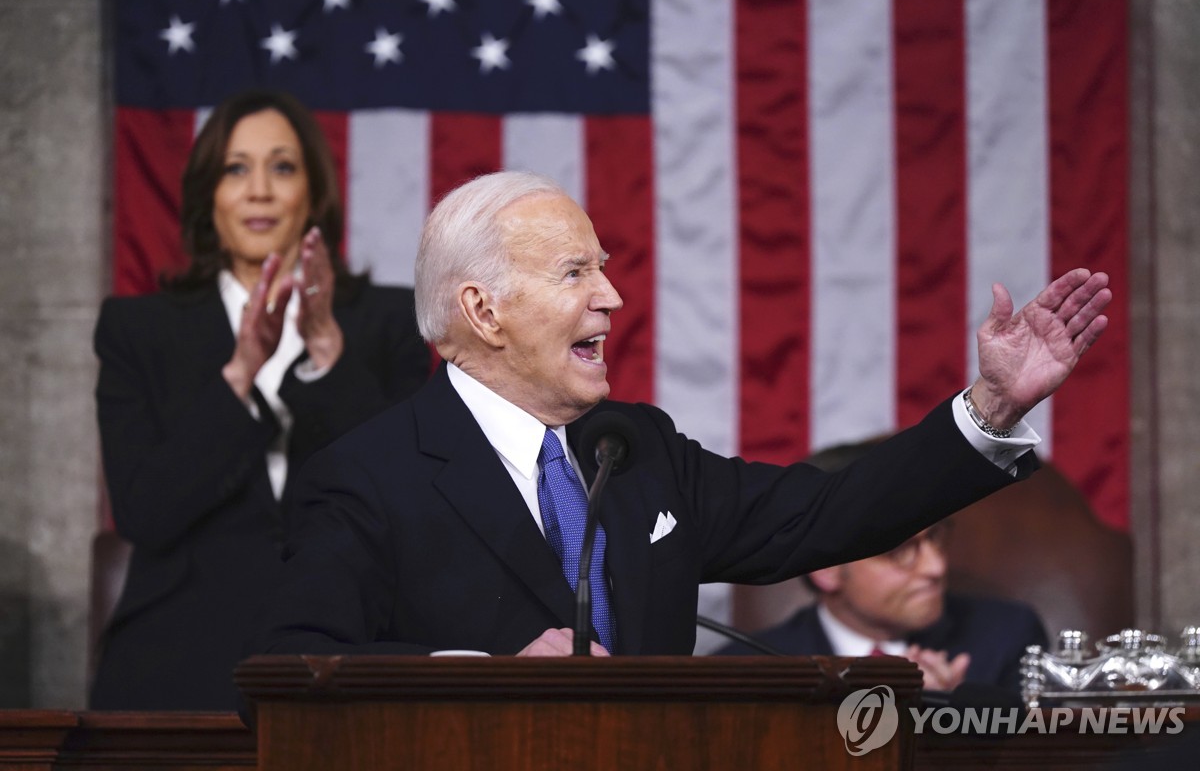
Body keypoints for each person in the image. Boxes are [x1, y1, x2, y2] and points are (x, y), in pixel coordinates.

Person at [251, 170, 1109, 660]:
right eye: (575, 273)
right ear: (483, 311)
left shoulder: (636, 449)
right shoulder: (366, 477)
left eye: (606, 269)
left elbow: (829, 513)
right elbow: (293, 671)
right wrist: (478, 676)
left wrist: (990, 404)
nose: (613, 298)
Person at [90, 89, 430, 710]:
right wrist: (239, 376)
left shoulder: (387, 321)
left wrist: (328, 351)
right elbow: (145, 512)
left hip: (347, 653)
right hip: (176, 659)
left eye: (282, 167)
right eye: (235, 168)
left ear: (313, 191)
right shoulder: (138, 330)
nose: (259, 191)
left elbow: (410, 503)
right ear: (207, 195)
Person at [714, 439, 1048, 695]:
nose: (936, 567)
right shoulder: (743, 672)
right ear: (826, 569)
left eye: (935, 536)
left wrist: (948, 727)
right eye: (900, 550)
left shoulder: (1008, 638)